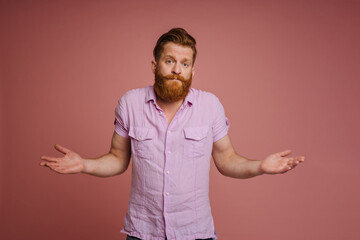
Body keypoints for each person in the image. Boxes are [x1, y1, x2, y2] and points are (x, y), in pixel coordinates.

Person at [40, 28, 305, 240]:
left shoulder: (210, 105)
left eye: (185, 63)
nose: (177, 69)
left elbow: (227, 160)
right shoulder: (130, 103)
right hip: (143, 232)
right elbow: (118, 159)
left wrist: (260, 166)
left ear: (192, 70)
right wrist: (84, 164)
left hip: (195, 232)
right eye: (170, 61)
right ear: (154, 64)